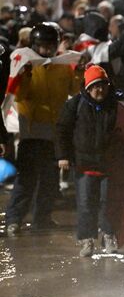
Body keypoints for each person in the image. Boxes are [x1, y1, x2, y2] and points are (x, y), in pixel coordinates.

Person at [6, 24, 83, 236]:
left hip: (55, 132)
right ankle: (14, 219)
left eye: (50, 47)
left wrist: (78, 72)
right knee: (26, 179)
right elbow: (19, 96)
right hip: (31, 132)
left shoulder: (62, 66)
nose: (46, 51)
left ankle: (42, 218)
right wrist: (26, 75)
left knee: (50, 180)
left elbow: (74, 89)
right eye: (42, 47)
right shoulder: (27, 65)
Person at [56, 65, 120, 256]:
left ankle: (109, 235)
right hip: (84, 163)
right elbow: (62, 129)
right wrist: (63, 156)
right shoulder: (75, 104)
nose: (99, 90)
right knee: (85, 204)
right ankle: (87, 240)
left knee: (108, 202)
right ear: (88, 87)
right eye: (95, 86)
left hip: (108, 163)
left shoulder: (116, 104)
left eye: (103, 85)